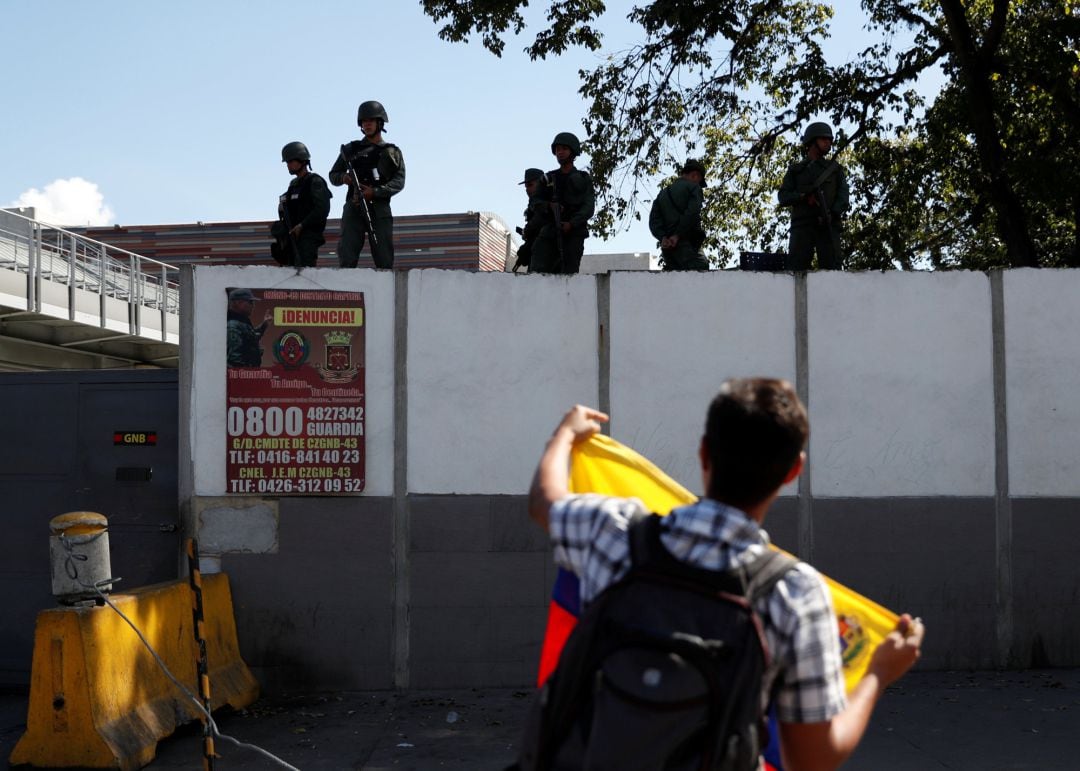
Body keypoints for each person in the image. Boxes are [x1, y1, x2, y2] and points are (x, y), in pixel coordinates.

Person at [528, 378, 925, 770]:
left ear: (704, 453)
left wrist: (564, 436)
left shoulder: (615, 534)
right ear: (793, 471)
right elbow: (812, 759)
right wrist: (877, 672)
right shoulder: (794, 594)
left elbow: (544, 501)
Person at [328, 100, 405, 269]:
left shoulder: (391, 152)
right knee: (347, 255)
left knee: (384, 257)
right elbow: (333, 175)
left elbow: (399, 181)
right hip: (354, 205)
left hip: (379, 209)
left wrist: (376, 192)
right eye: (363, 121)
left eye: (371, 120)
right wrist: (345, 178)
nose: (367, 124)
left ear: (380, 123)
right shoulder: (350, 150)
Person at [777, 122, 850, 271]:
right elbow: (783, 196)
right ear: (812, 141)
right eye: (824, 139)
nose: (828, 143)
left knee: (833, 271)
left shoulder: (835, 170)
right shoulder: (796, 170)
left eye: (830, 140)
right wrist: (803, 197)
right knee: (796, 271)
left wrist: (833, 213)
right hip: (802, 227)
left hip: (828, 225)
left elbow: (843, 196)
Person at [272, 142, 332, 267]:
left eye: (290, 161)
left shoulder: (315, 181)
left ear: (301, 160)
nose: (288, 165)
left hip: (307, 237)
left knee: (305, 271)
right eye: (287, 162)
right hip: (292, 236)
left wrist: (302, 225)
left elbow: (322, 209)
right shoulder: (293, 185)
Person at [546, 132, 595, 274]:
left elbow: (588, 207)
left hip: (574, 234)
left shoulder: (583, 178)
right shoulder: (549, 178)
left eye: (564, 149)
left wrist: (572, 224)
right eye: (557, 149)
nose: (560, 152)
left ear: (572, 152)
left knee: (569, 275)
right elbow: (536, 201)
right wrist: (548, 206)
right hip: (551, 233)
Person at [649, 158, 709, 271]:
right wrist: (677, 235)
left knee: (675, 278)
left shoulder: (662, 194)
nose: (698, 184)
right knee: (701, 268)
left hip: (667, 248)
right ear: (695, 176)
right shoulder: (694, 188)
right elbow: (692, 213)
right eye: (699, 180)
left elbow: (654, 220)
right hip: (686, 244)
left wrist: (663, 238)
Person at [514, 167, 558, 274]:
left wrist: (527, 231)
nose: (527, 190)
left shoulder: (544, 199)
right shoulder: (535, 201)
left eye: (530, 185)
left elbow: (539, 220)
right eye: (526, 187)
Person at [226, 288, 271, 367]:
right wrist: (247, 375)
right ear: (238, 302)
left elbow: (250, 336)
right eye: (250, 302)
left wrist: (264, 325)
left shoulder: (240, 321)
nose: (253, 305)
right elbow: (235, 361)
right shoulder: (232, 325)